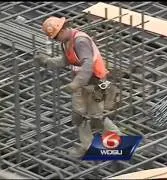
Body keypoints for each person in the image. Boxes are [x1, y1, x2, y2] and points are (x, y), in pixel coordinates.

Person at [34, 16, 124, 158]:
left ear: (63, 29)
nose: (55, 39)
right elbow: (66, 60)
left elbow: (87, 65)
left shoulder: (80, 41)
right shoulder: (66, 42)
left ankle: (120, 141)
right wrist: (47, 61)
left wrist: (76, 84)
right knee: (79, 117)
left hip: (97, 82)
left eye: (56, 36)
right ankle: (87, 147)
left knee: (96, 118)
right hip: (83, 83)